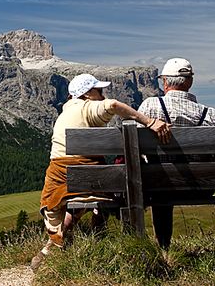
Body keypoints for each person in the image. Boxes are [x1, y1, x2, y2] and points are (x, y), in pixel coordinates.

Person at [30, 73, 172, 271]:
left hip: (61, 179)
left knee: (84, 192)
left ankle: (52, 246)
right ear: (87, 94)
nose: (103, 94)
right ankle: (103, 237)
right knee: (113, 186)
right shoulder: (87, 107)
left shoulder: (65, 112)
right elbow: (113, 105)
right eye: (99, 90)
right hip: (91, 179)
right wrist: (149, 122)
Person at [137, 57, 215, 249]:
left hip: (161, 186)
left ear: (165, 82)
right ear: (190, 82)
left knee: (159, 179)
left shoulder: (150, 106)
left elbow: (137, 148)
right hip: (203, 187)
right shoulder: (214, 115)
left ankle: (163, 246)